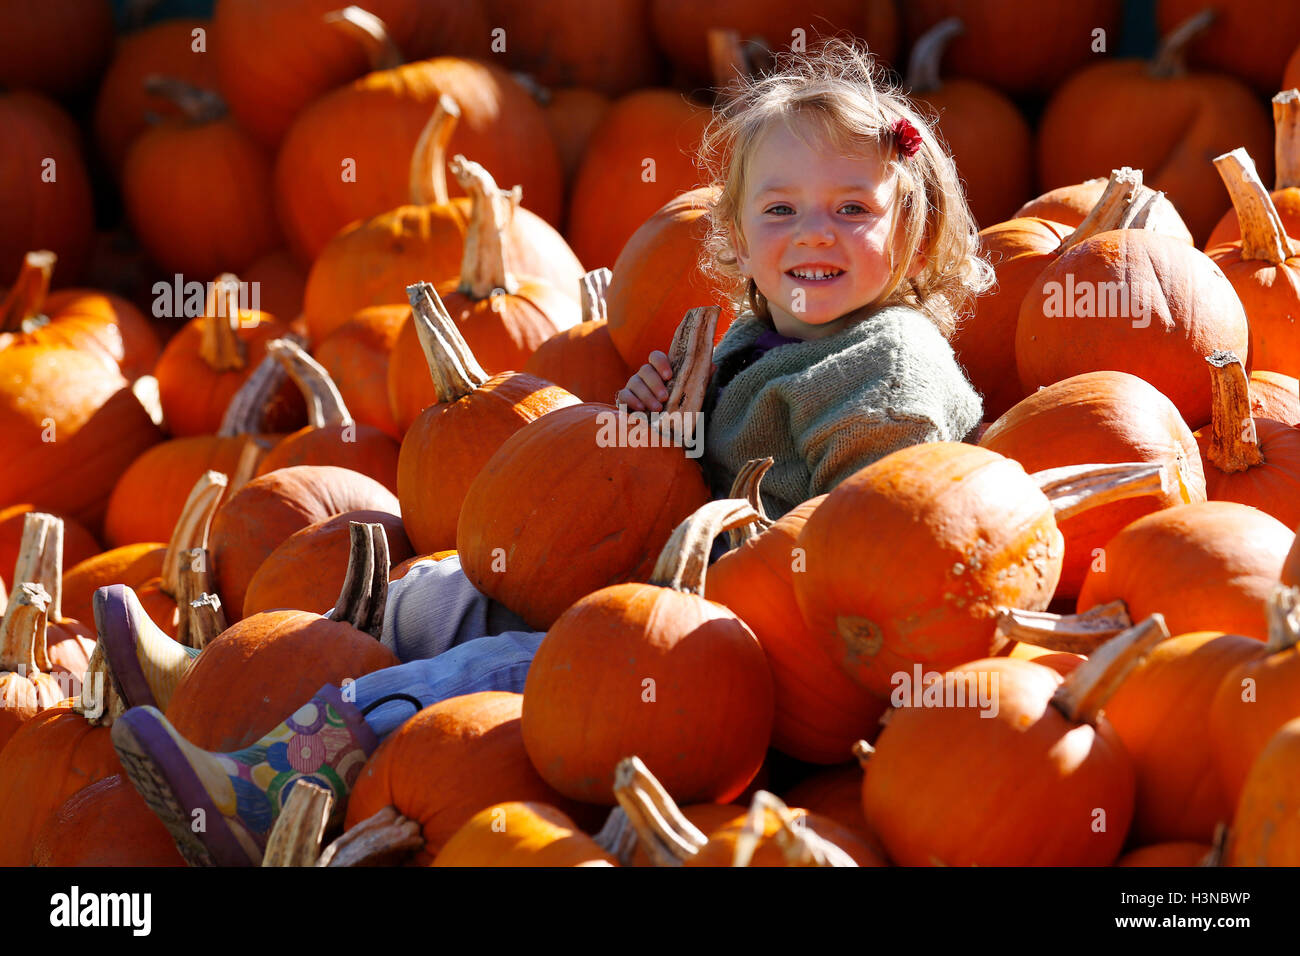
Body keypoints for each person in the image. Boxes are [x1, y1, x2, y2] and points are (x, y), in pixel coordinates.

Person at [109, 38, 990, 866]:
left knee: (490, 671)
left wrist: (719, 537)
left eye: (852, 209)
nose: (815, 232)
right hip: (660, 586)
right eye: (781, 208)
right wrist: (660, 428)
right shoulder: (757, 340)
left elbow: (873, 539)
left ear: (908, 230)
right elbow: (699, 465)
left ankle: (267, 790)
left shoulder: (888, 363)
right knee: (443, 590)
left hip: (738, 657)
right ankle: (228, 688)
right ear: (738, 233)